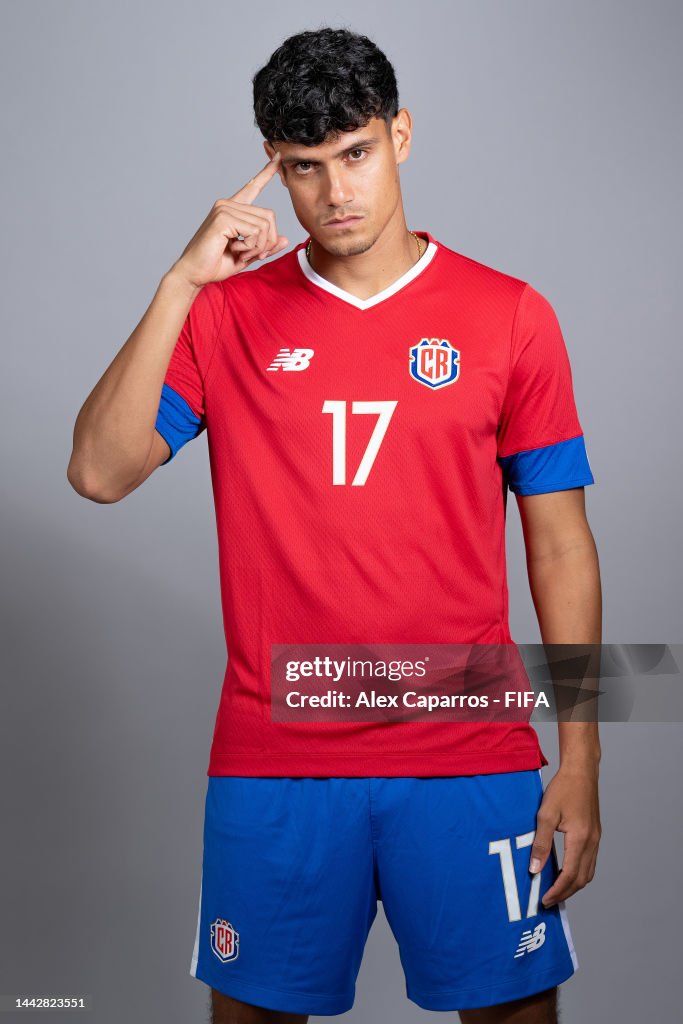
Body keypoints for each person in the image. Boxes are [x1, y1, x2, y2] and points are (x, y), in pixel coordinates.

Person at [67, 26, 602, 1024]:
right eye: (300, 168)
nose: (333, 192)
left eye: (353, 153)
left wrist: (580, 755)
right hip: (277, 756)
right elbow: (98, 471)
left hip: (466, 747)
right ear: (275, 167)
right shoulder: (228, 316)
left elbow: (559, 543)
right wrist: (181, 281)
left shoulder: (509, 317)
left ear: (399, 134)